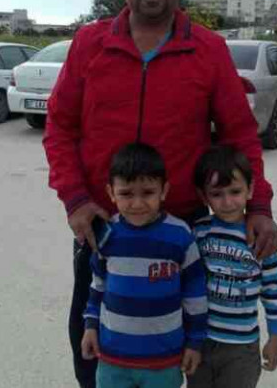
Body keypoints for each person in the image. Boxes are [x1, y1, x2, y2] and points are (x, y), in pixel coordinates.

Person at [43, 0, 277, 388]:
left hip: (185, 232)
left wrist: (258, 205)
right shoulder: (90, 44)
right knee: (95, 348)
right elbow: (60, 127)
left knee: (188, 351)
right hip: (103, 227)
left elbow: (239, 135)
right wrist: (75, 199)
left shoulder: (208, 49)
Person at [80, 142, 208, 388]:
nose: (137, 204)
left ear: (164, 190)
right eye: (126, 194)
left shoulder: (180, 235)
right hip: (112, 359)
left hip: (164, 361)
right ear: (111, 192)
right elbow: (97, 285)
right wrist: (90, 326)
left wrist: (195, 342)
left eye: (148, 192)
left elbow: (195, 294)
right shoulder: (106, 235)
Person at [187, 145, 277, 388]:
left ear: (250, 189)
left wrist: (275, 337)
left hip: (241, 348)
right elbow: (187, 283)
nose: (227, 202)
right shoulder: (199, 232)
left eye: (235, 191)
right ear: (204, 196)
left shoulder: (261, 237)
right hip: (200, 341)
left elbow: (274, 291)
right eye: (217, 194)